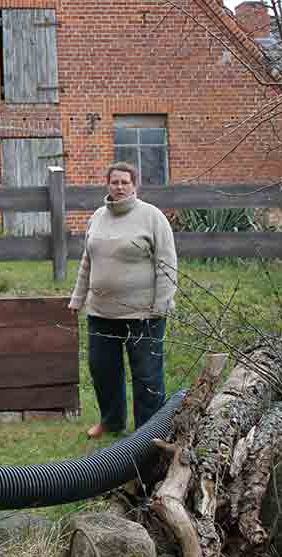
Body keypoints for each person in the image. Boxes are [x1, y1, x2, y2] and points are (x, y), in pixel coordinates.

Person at [69, 161, 178, 439]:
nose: (119, 187)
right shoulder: (97, 217)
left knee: (147, 373)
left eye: (124, 182)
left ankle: (148, 431)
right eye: (114, 182)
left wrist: (162, 305)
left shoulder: (152, 217)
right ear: (108, 185)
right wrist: (78, 298)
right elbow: (87, 261)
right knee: (103, 370)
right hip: (101, 311)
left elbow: (167, 262)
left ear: (134, 185)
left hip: (143, 313)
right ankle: (111, 422)